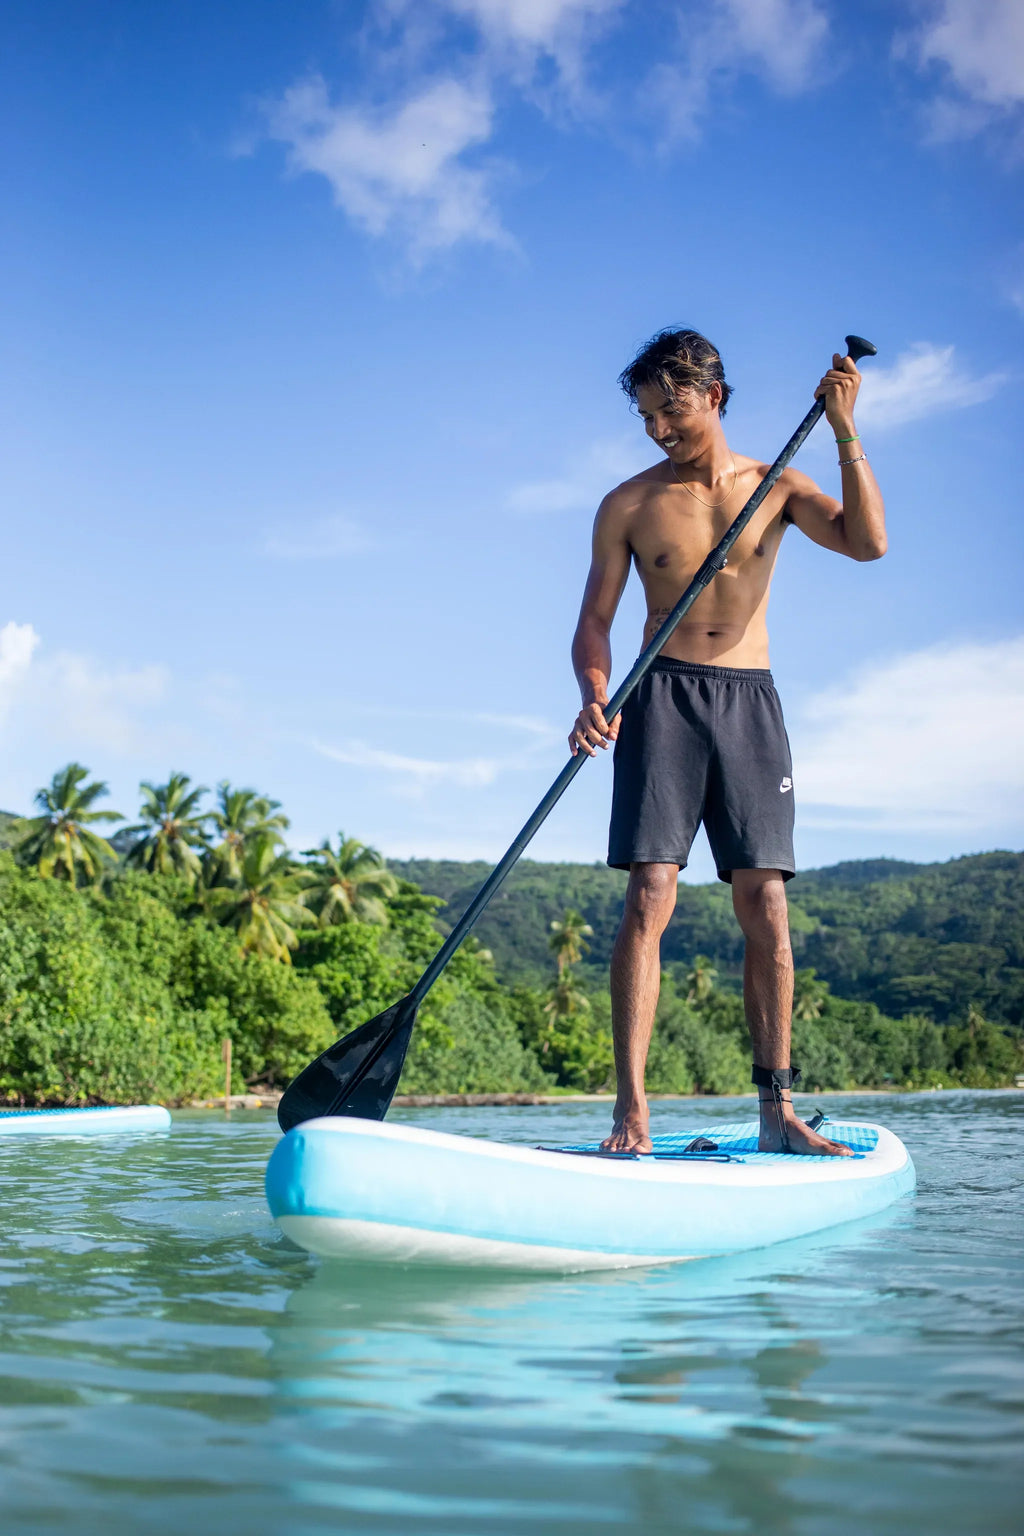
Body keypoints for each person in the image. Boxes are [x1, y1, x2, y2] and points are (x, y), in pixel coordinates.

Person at [569, 329, 887, 1155]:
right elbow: (595, 623)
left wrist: (846, 431)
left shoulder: (777, 486)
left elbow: (868, 541)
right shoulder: (628, 505)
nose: (657, 430)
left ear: (712, 395)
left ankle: (778, 1111)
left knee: (766, 905)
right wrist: (596, 695)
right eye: (644, 416)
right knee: (648, 896)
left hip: (749, 702)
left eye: (669, 411)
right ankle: (630, 1114)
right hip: (660, 693)